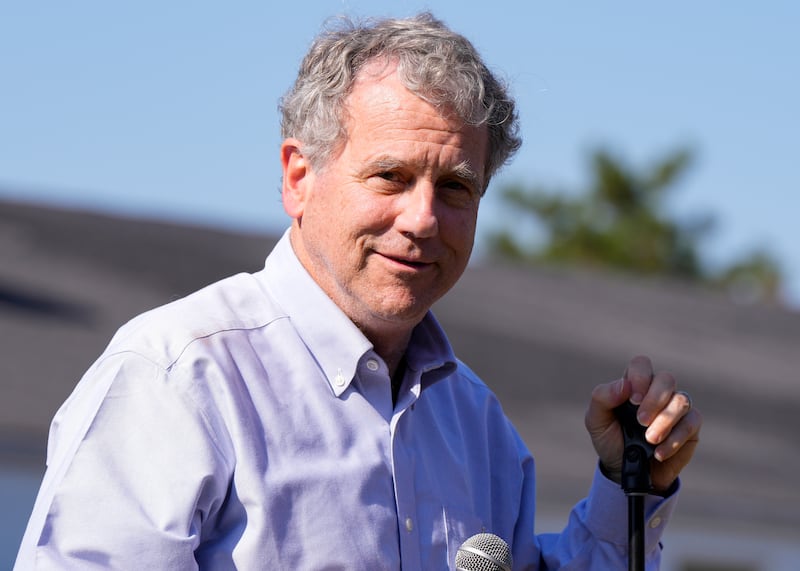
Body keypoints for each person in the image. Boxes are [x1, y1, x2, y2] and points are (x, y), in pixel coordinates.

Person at [15, 12, 701, 570]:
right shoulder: (178, 378)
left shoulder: (477, 424)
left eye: (456, 186)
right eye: (391, 176)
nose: (424, 218)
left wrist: (628, 479)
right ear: (298, 176)